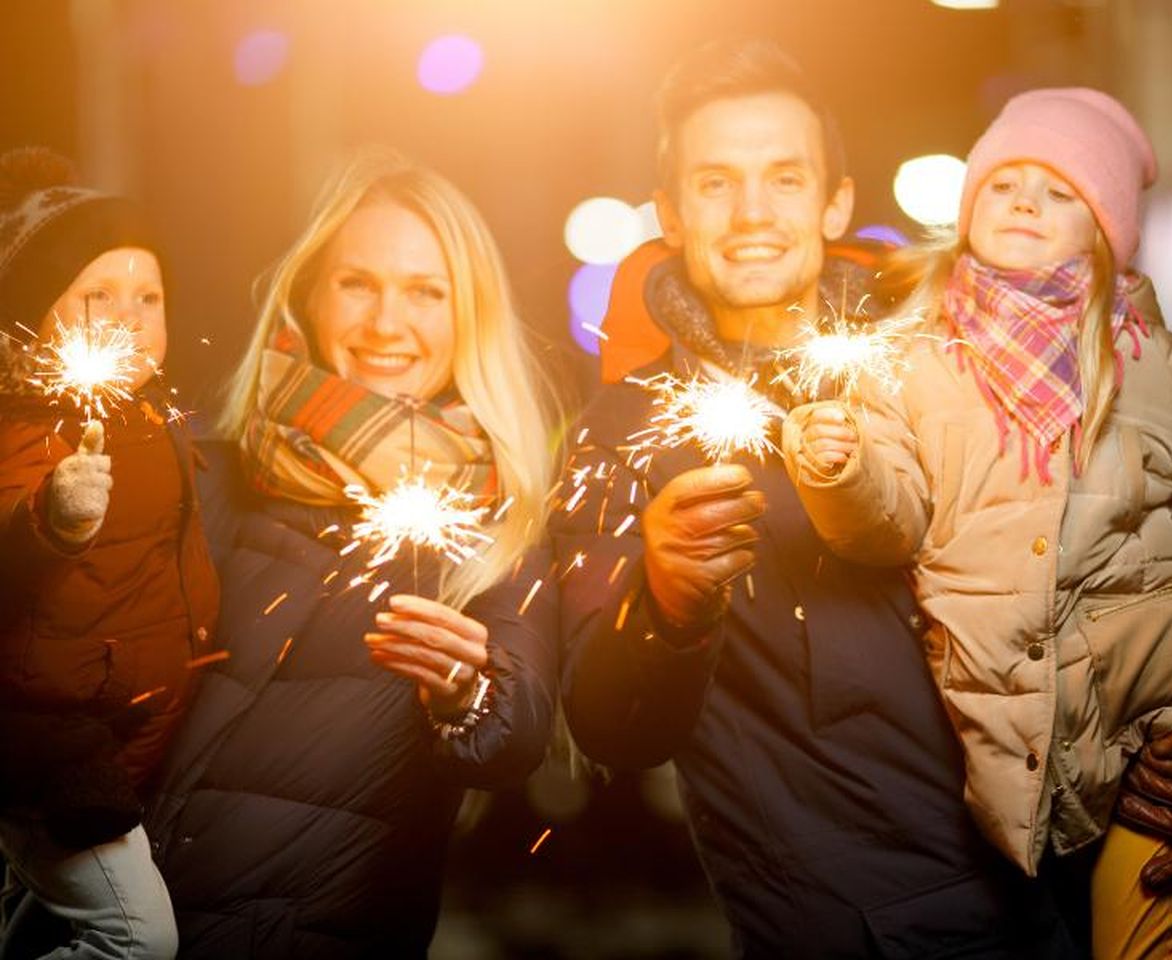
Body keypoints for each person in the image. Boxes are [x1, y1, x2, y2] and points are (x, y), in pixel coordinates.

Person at [553, 40, 1083, 957]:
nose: (752, 212)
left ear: (835, 200)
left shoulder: (943, 364)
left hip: (1066, 891)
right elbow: (611, 727)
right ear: (671, 213)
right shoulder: (620, 432)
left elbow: (1117, 557)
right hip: (847, 928)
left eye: (785, 178)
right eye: (716, 183)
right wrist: (666, 608)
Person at [782, 87, 1172, 958]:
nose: (1024, 203)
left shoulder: (1155, 365)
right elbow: (889, 526)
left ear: (1103, 230)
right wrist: (843, 473)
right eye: (1005, 183)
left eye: (1059, 193)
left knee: (1140, 938)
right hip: (1026, 731)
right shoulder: (911, 360)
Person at [140, 146, 561, 957]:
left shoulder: (493, 521)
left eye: (425, 293)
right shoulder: (200, 466)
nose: (385, 324)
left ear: (468, 315)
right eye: (357, 283)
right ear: (309, 293)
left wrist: (465, 692)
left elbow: (518, 730)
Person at [0, 147, 219, 958]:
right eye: (98, 295)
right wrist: (51, 518)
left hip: (110, 731)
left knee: (51, 918)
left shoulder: (155, 418)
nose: (129, 315)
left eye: (148, 296)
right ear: (36, 311)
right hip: (44, 743)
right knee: (136, 939)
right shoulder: (25, 421)